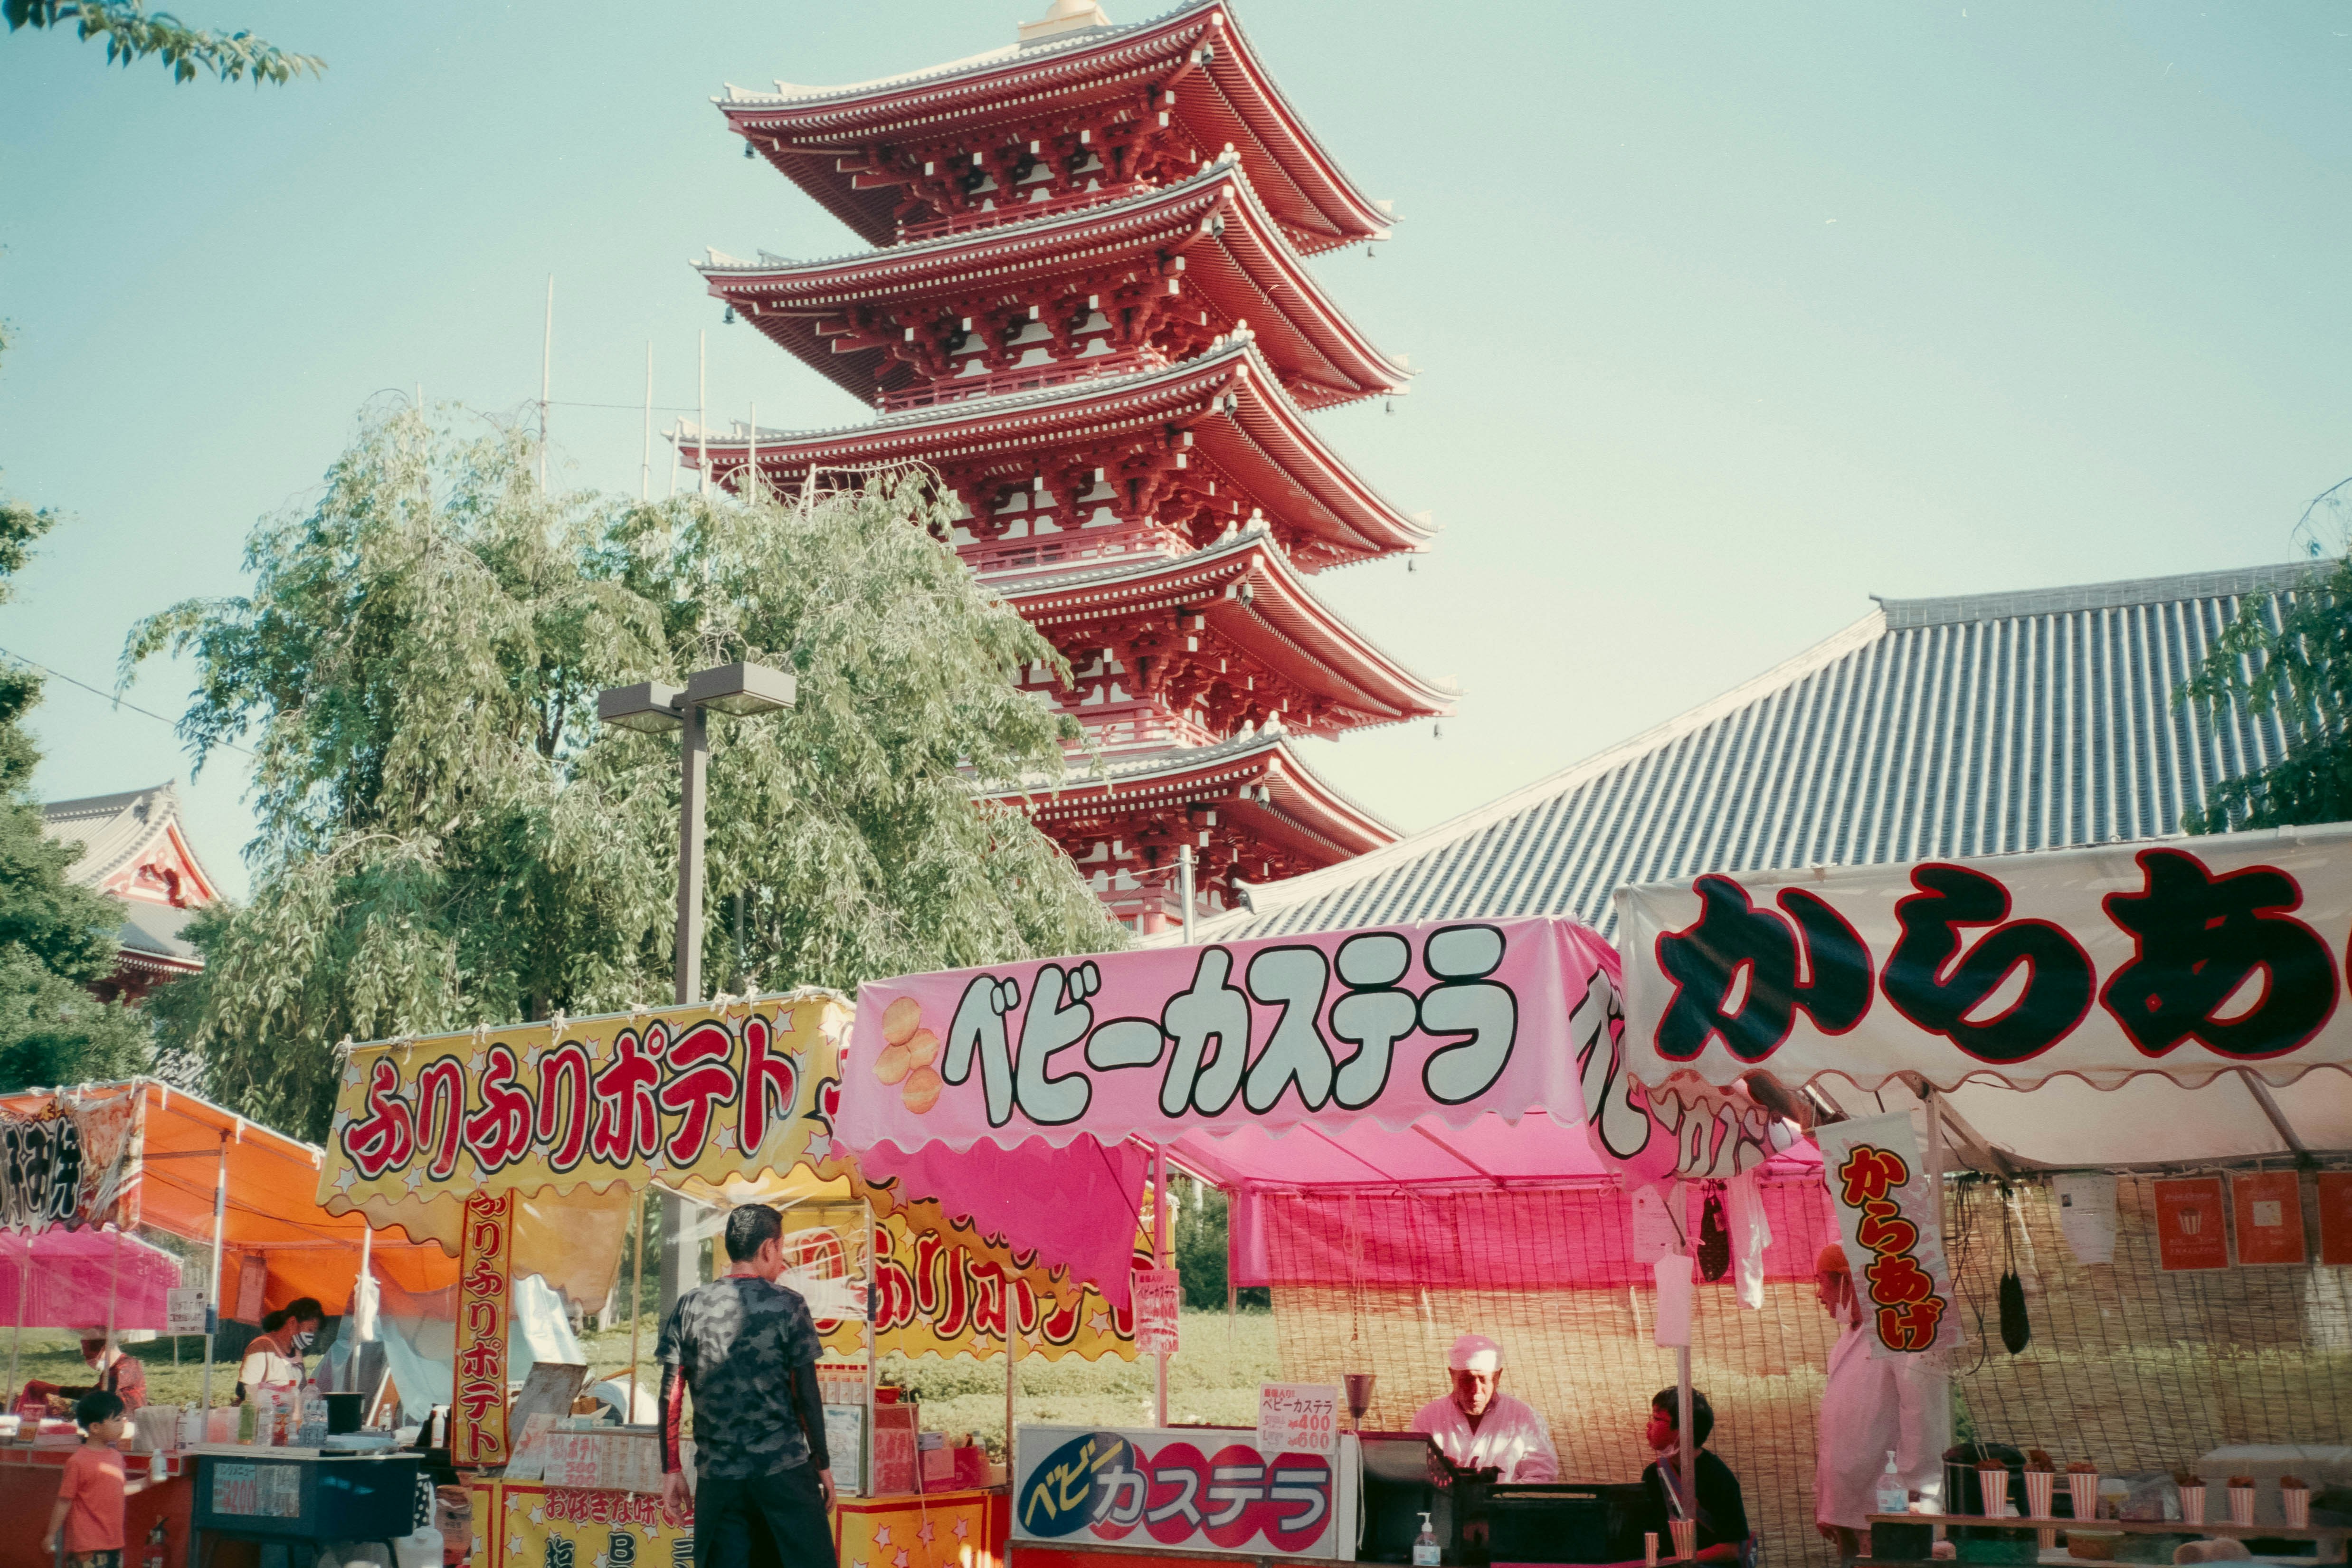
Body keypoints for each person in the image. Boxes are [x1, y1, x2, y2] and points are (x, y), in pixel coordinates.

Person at [656, 1204, 835, 1568]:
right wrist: (823, 1463)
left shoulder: (689, 1305)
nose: (781, 1261)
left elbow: (670, 1393)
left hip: (719, 1482)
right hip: (784, 1475)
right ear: (769, 1248)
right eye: (781, 1250)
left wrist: (671, 1468)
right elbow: (806, 1394)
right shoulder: (789, 1305)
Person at [1813, 1243, 1945, 1559]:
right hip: (1849, 1500)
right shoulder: (1846, 1340)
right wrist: (1827, 1501)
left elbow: (1922, 1414)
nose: (1819, 1294)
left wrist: (1911, 1491)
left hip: (1889, 1504)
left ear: (1847, 1281)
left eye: (1822, 1281)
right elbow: (1836, 1431)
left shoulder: (1899, 1330)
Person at [1409, 1333, 1559, 1482]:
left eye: (1484, 1380)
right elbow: (1415, 1474)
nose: (1476, 1391)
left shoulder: (1524, 1417)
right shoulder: (1428, 1417)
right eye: (1467, 1379)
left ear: (1497, 1377)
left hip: (1503, 1504)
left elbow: (1542, 1476)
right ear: (1452, 1375)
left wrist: (1499, 1496)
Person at [1640, 1387, 1750, 1565]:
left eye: (1657, 1418)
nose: (1649, 1425)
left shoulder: (1718, 1476)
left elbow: (1731, 1550)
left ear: (1682, 1430)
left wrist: (1679, 1562)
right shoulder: (1653, 1473)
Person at [42, 1389, 129, 1568]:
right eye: (117, 1420)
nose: (123, 1424)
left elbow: (119, 1489)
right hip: (86, 1545)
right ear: (95, 1427)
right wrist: (51, 1533)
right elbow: (64, 1501)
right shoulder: (78, 1462)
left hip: (114, 1542)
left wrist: (147, 1482)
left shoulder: (116, 1457)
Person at [28, 1331, 147, 1416]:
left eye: (89, 1356)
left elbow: (97, 1395)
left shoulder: (127, 1366)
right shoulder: (112, 1370)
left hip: (131, 1426)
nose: (88, 1361)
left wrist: (53, 1389)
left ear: (104, 1349)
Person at [235, 1298, 323, 1405]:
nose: (312, 1336)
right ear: (292, 1322)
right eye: (310, 1330)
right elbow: (244, 1390)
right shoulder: (262, 1347)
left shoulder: (297, 1351)